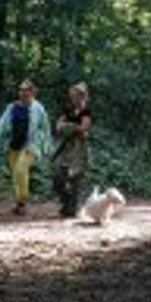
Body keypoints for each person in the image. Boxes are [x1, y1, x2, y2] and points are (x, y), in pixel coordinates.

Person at [0, 79, 53, 215]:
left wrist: (47, 145)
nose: (23, 92)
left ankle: (22, 200)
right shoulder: (12, 107)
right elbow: (2, 122)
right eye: (21, 90)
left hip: (31, 146)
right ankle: (20, 203)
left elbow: (45, 128)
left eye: (26, 90)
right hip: (13, 144)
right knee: (16, 175)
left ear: (33, 92)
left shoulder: (38, 108)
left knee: (21, 169)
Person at [52, 82, 92, 218]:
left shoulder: (86, 111)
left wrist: (68, 127)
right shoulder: (67, 109)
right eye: (73, 96)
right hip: (65, 147)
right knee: (57, 174)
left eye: (77, 96)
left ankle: (73, 207)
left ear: (83, 96)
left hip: (79, 149)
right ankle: (66, 203)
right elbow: (58, 127)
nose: (74, 99)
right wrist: (73, 127)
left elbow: (84, 128)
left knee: (76, 178)